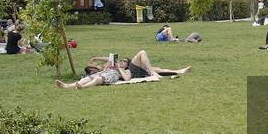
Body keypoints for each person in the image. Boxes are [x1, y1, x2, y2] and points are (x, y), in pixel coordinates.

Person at [55, 50, 190, 89]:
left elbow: (126, 77)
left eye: (124, 61)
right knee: (85, 78)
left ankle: (179, 71)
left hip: (126, 72)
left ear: (127, 64)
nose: (122, 62)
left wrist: (119, 68)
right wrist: (97, 58)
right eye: (121, 60)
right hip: (113, 72)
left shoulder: (127, 68)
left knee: (158, 68)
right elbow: (108, 59)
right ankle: (67, 86)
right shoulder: (115, 66)